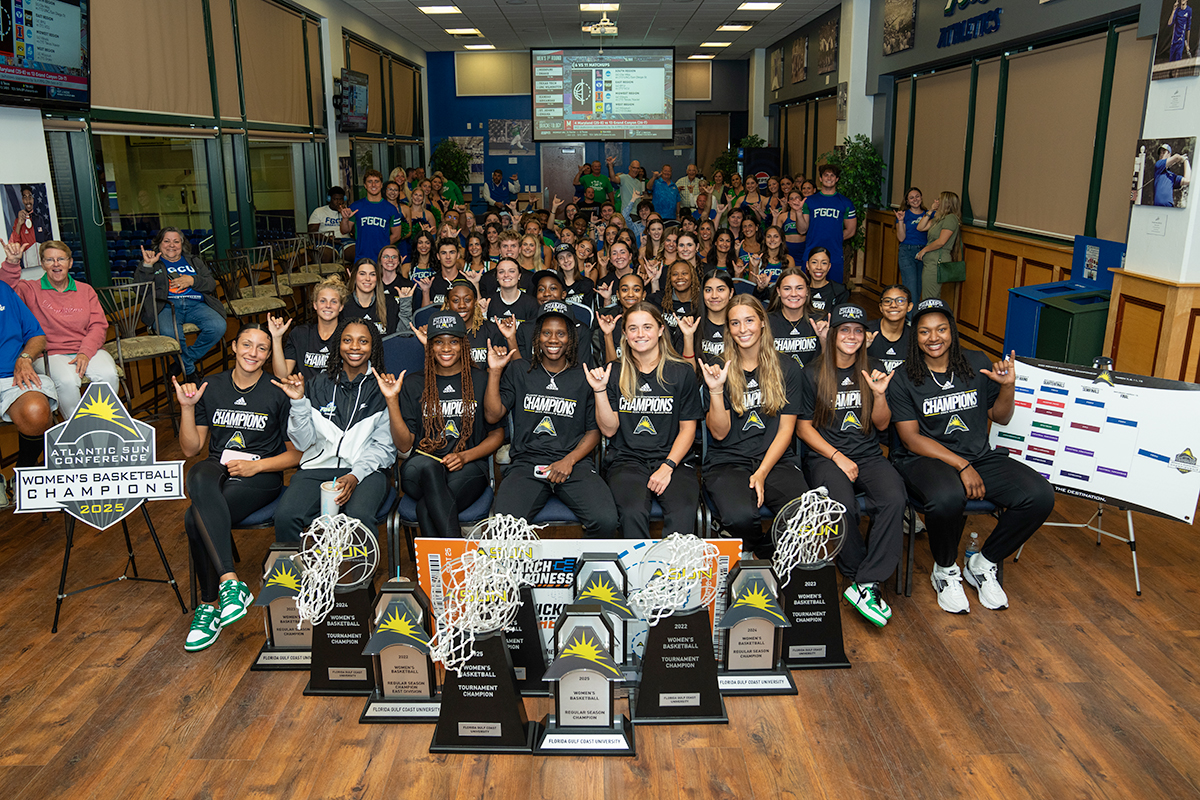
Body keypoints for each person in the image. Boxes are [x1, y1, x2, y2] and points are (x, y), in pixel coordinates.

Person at [887, 298, 1055, 613]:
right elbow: (910, 439)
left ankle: (983, 562)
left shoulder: (975, 363)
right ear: (915, 337)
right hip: (925, 460)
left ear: (952, 330)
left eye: (940, 329)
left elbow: (1001, 417)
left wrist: (1008, 386)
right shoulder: (904, 376)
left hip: (977, 456)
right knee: (948, 497)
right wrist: (960, 465)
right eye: (924, 332)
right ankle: (946, 569)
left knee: (1039, 495)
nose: (933, 338)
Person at [174, 324, 299, 651]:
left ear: (268, 354)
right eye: (246, 345)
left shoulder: (276, 391)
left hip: (262, 475)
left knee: (192, 520)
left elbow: (297, 454)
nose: (252, 353)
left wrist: (257, 465)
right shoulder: (211, 386)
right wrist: (187, 409)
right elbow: (191, 448)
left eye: (261, 348)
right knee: (199, 471)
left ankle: (208, 606)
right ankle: (231, 583)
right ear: (233, 346)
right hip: (221, 467)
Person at [796, 304, 905, 627]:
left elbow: (883, 426)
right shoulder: (812, 372)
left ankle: (865, 583)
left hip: (869, 454)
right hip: (826, 456)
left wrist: (880, 395)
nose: (851, 336)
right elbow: (803, 428)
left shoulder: (875, 368)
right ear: (832, 334)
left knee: (894, 498)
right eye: (845, 329)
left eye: (858, 331)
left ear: (866, 337)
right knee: (842, 505)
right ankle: (858, 574)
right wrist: (836, 456)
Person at [485, 301, 619, 538]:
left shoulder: (584, 377)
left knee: (606, 521)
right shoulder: (520, 370)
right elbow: (493, 415)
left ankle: (581, 572)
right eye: (546, 333)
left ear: (572, 338)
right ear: (538, 337)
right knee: (504, 529)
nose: (553, 340)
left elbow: (593, 431)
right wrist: (495, 371)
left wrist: (568, 461)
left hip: (573, 464)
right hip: (527, 464)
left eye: (561, 333)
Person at [700, 295, 808, 559]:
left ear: (762, 322)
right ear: (728, 329)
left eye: (749, 320)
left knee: (803, 513)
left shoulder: (788, 368)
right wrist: (715, 390)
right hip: (728, 460)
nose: (743, 329)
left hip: (774, 459)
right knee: (740, 517)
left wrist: (761, 473)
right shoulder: (718, 367)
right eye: (735, 323)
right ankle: (758, 550)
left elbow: (786, 431)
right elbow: (719, 432)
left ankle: (759, 552)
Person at [378, 312, 503, 539]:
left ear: (464, 345)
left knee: (426, 509)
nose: (446, 348)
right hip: (420, 467)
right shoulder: (414, 383)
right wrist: (391, 400)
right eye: (438, 342)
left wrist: (466, 456)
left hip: (468, 467)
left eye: (453, 341)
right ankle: (456, 563)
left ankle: (439, 572)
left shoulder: (480, 380)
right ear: (429, 347)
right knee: (429, 467)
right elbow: (404, 446)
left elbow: (497, 434)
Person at [272, 318, 397, 545]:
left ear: (373, 347)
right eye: (347, 340)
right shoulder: (316, 385)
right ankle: (296, 579)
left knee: (358, 518)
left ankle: (357, 580)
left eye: (363, 341)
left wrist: (354, 475)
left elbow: (384, 448)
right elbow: (302, 443)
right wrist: (299, 402)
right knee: (286, 516)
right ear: (338, 344)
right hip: (316, 468)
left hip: (366, 472)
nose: (355, 347)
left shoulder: (382, 389)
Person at [587, 302, 702, 538]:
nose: (640, 334)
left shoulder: (681, 372)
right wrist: (599, 391)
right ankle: (638, 573)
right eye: (633, 328)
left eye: (647, 327)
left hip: (674, 460)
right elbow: (609, 430)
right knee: (631, 512)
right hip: (627, 461)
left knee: (684, 511)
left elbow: (688, 430)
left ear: (661, 329)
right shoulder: (614, 371)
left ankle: (674, 575)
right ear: (625, 334)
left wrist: (668, 466)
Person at [1, 240, 119, 417]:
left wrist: (85, 352)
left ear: (70, 263)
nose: (56, 264)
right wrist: (12, 263)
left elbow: (98, 326)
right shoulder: (29, 288)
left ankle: (102, 424)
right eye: (49, 260)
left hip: (86, 350)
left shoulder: (85, 290)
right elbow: (4, 293)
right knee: (67, 381)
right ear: (42, 264)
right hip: (49, 354)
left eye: (61, 259)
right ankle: (76, 431)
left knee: (108, 374)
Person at [135, 227, 228, 384]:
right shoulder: (153, 264)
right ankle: (190, 371)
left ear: (182, 244)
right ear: (159, 244)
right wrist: (147, 266)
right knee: (170, 333)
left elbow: (211, 283)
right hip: (166, 306)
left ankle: (182, 363)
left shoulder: (194, 261)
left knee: (218, 326)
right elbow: (140, 289)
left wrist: (192, 281)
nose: (172, 245)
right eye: (167, 241)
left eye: (176, 241)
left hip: (196, 304)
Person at [0, 272, 55, 469]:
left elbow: (36, 335)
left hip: (12, 376)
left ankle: (24, 472)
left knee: (36, 411)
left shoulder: (3, 290)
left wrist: (25, 358)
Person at [272, 275, 345, 379]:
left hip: (337, 394)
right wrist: (276, 338)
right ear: (315, 305)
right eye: (322, 301)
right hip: (305, 394)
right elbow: (282, 375)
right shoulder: (300, 334)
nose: (328, 305)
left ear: (341, 307)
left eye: (334, 301)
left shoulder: (348, 336)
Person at [797, 164, 857, 284]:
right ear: (820, 179)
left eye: (832, 175)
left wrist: (834, 237)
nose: (829, 178)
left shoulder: (845, 202)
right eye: (826, 175)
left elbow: (850, 230)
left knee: (834, 291)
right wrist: (798, 212)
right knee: (807, 290)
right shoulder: (809, 201)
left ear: (837, 179)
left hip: (834, 254)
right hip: (811, 252)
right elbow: (802, 230)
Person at [339, 169, 403, 264]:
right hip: (362, 256)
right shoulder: (356, 207)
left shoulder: (391, 209)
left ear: (381, 185)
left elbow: (397, 235)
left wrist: (383, 246)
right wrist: (345, 219)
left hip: (383, 258)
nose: (373, 185)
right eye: (370, 181)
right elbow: (344, 230)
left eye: (376, 181)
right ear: (365, 185)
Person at [767, 266, 825, 367]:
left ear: (807, 291)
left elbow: (828, 363)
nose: (793, 294)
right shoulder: (767, 321)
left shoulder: (820, 320)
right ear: (778, 291)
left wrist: (825, 340)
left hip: (812, 381)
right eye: (787, 289)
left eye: (799, 288)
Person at [915, 191, 962, 302]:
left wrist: (924, 250)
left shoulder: (951, 219)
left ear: (947, 203)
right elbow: (920, 227)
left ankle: (930, 318)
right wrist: (931, 210)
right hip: (931, 262)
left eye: (939, 200)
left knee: (930, 297)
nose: (936, 201)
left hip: (937, 262)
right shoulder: (939, 218)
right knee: (931, 295)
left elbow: (941, 242)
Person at [680, 268, 734, 366]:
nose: (714, 295)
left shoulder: (741, 325)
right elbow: (686, 375)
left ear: (731, 293)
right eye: (708, 290)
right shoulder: (689, 322)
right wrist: (688, 336)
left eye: (720, 289)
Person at [341, 258, 408, 335]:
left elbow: (402, 335)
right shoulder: (344, 303)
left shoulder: (389, 302)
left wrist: (405, 304)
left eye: (372, 274)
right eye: (362, 274)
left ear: (377, 279)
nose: (367, 278)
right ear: (354, 277)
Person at [866, 284, 913, 374]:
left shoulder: (914, 336)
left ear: (909, 307)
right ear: (881, 307)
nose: (893, 305)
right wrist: (860, 347)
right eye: (887, 301)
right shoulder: (866, 332)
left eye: (900, 301)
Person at [893, 187, 927, 303]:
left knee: (920, 287)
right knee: (910, 286)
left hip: (924, 253)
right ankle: (909, 319)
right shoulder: (903, 215)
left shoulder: (928, 215)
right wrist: (901, 220)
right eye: (911, 198)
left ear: (921, 198)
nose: (915, 199)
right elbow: (901, 238)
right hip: (907, 252)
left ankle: (915, 317)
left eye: (917, 196)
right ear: (907, 201)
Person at [805, 247, 849, 315]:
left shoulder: (839, 291)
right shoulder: (800, 290)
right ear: (807, 265)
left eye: (824, 263)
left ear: (829, 266)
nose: (819, 267)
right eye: (814, 262)